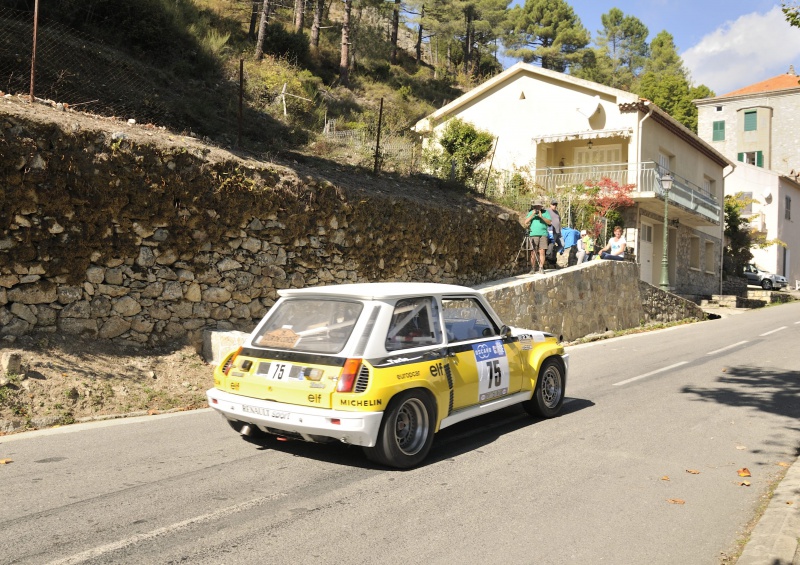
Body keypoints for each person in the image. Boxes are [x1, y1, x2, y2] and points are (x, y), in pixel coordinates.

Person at [523, 200, 551, 274]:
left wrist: (541, 216)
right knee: (533, 252)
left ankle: (541, 267)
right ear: (534, 206)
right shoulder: (531, 212)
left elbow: (549, 222)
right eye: (536, 206)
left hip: (543, 234)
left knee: (542, 251)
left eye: (539, 206)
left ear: (541, 207)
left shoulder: (545, 212)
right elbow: (525, 222)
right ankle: (532, 268)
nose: (537, 207)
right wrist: (532, 215)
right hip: (533, 234)